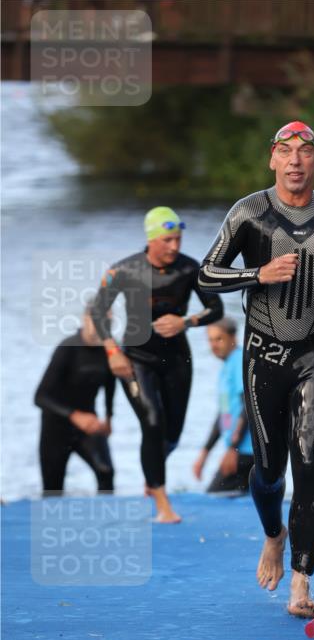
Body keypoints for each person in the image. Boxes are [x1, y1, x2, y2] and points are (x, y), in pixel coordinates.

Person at [198, 121, 314, 617]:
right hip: (264, 356)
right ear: (271, 160)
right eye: (285, 151)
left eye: (305, 151)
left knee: (309, 464)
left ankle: (302, 580)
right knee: (270, 467)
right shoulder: (249, 214)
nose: (295, 160)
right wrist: (258, 273)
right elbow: (207, 274)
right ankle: (274, 535)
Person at [89, 207, 223, 523]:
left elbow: (215, 309)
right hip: (135, 359)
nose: (175, 246)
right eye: (168, 240)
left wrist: (186, 322)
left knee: (171, 434)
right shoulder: (123, 270)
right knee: (152, 422)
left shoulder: (190, 269)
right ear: (152, 239)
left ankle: (152, 474)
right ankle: (163, 504)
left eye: (178, 239)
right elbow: (97, 311)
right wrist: (112, 352)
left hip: (177, 358)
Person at [34, 308, 115, 496]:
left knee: (106, 472)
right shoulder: (67, 348)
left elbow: (110, 385)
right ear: (85, 319)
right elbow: (40, 396)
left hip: (88, 427)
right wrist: (75, 416)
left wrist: (109, 418)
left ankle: (106, 521)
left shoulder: (109, 350)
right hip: (56, 428)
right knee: (53, 489)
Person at [192, 318, 254, 493]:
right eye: (210, 340)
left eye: (219, 339)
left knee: (214, 497)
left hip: (248, 451)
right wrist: (205, 453)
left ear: (232, 337)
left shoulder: (239, 362)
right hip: (238, 450)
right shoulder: (226, 367)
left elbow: (248, 405)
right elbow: (224, 416)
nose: (214, 345)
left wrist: (232, 449)